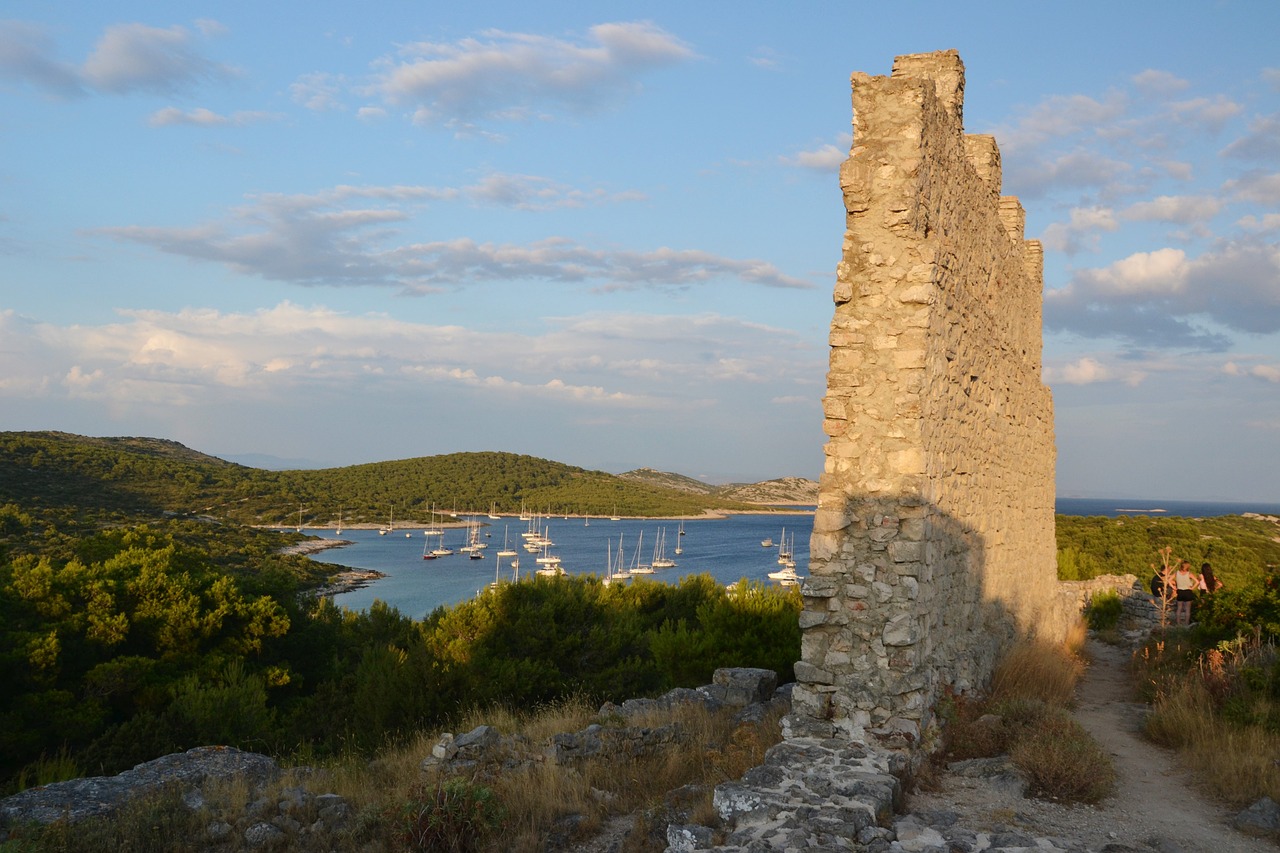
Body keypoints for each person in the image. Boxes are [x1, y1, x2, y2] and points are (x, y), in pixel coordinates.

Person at [1173, 560, 1199, 626]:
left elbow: (1169, 580)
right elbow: (1197, 582)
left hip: (1180, 591)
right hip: (1187, 591)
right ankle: (1186, 624)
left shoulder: (1176, 573)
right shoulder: (1189, 574)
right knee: (1187, 609)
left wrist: (1174, 587)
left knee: (1179, 608)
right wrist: (1192, 588)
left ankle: (1178, 623)